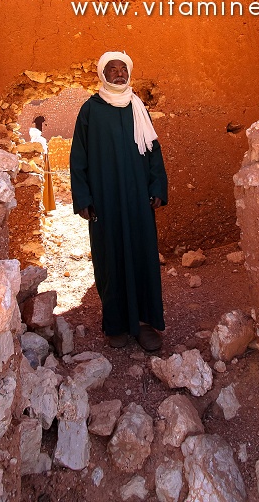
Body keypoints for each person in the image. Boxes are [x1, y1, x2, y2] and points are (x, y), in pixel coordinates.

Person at [70, 51, 168, 351]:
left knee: (142, 255)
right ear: (103, 74)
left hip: (138, 198)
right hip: (106, 199)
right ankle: (116, 324)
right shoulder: (91, 110)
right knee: (110, 258)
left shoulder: (138, 107)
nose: (118, 73)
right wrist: (83, 197)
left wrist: (157, 186)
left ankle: (144, 323)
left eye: (123, 68)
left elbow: (152, 149)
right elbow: (78, 156)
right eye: (112, 69)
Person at [29, 115, 56, 213]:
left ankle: (43, 207)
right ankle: (46, 207)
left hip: (41, 162)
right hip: (44, 161)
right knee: (45, 183)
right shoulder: (42, 140)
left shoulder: (36, 140)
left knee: (42, 182)